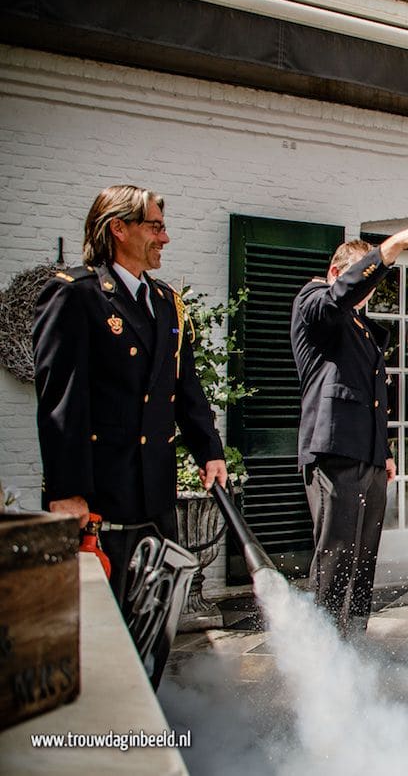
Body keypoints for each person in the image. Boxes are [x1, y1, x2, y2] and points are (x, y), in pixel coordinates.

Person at [33, 184, 227, 687]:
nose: (166, 236)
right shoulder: (74, 294)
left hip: (154, 493)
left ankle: (148, 727)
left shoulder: (166, 303)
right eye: (155, 226)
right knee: (99, 631)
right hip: (100, 494)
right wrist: (66, 492)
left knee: (153, 619)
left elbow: (184, 387)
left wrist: (210, 450)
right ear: (118, 229)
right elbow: (61, 402)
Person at [291, 228, 408, 637]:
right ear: (338, 271)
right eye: (363, 283)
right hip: (335, 447)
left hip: (369, 452)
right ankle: (323, 645)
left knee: (363, 554)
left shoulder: (360, 326)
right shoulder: (313, 299)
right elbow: (337, 298)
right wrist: (392, 247)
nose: (366, 296)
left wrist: (385, 452)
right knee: (336, 553)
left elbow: (372, 397)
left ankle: (354, 636)